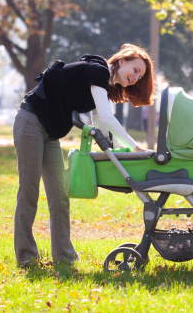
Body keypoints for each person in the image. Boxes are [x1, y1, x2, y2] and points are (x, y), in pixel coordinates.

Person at [12, 44, 155, 268]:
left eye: (140, 75)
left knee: (60, 195)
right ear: (121, 60)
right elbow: (107, 118)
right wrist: (137, 148)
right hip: (31, 122)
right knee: (29, 191)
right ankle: (26, 257)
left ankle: (64, 257)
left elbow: (99, 122)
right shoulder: (97, 71)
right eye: (135, 69)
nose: (136, 78)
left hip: (50, 134)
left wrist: (121, 152)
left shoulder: (102, 84)